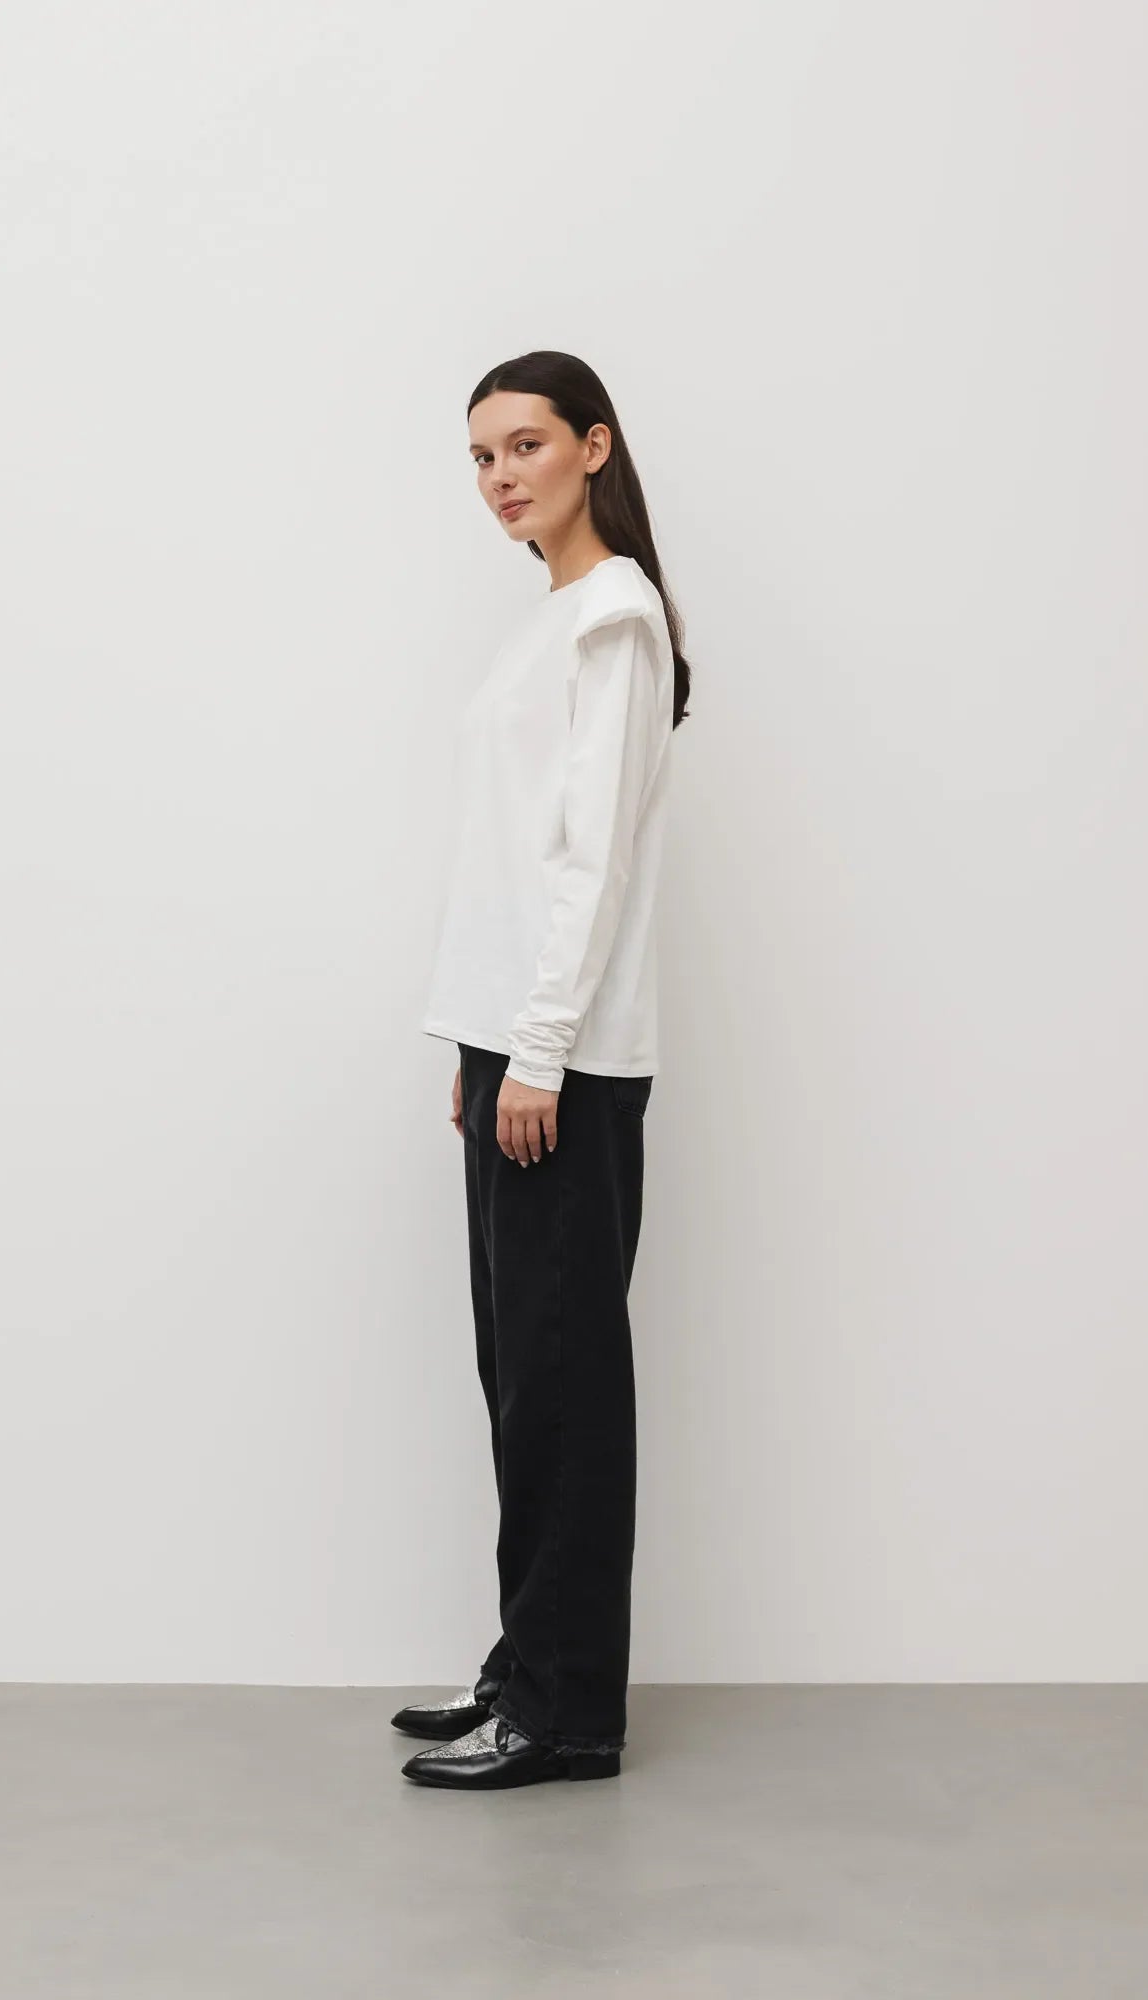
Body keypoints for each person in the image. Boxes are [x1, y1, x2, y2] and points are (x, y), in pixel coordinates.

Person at [396, 350, 691, 1790]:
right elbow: (506, 860)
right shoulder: (554, 617)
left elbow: (590, 862)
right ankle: (527, 1664)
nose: (500, 475)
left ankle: (566, 1712)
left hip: (562, 1060)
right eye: (480, 455)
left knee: (561, 1385)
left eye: (524, 444)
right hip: (512, 1045)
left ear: (594, 447)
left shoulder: (616, 616)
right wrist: (484, 1039)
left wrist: (543, 1049)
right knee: (518, 1374)